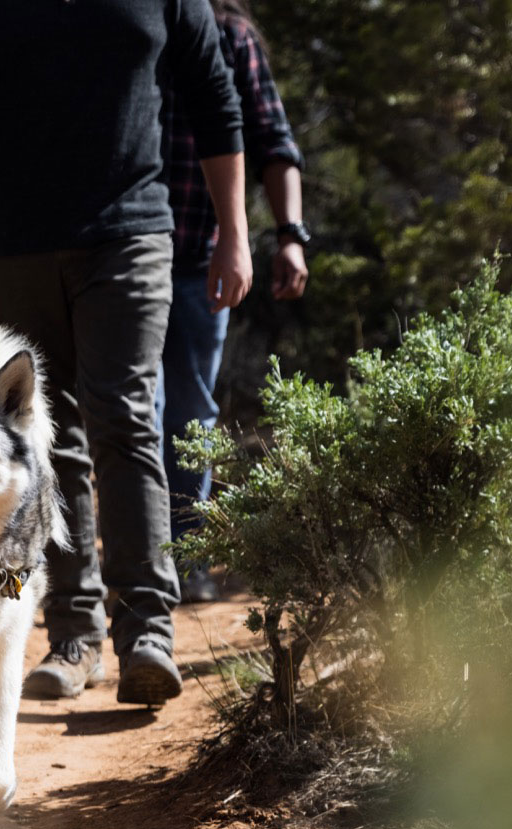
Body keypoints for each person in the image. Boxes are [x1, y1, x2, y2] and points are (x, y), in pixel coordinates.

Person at [0, 0, 253, 706]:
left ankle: (147, 629)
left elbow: (217, 97)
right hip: (15, 241)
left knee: (123, 415)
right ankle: (73, 635)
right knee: (46, 435)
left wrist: (235, 231)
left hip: (131, 231)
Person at [160, 0, 308, 602]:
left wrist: (288, 236)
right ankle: (139, 564)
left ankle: (188, 559)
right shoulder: (128, 21)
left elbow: (274, 142)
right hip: (114, 261)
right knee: (126, 415)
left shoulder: (229, 36)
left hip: (201, 260)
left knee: (189, 411)